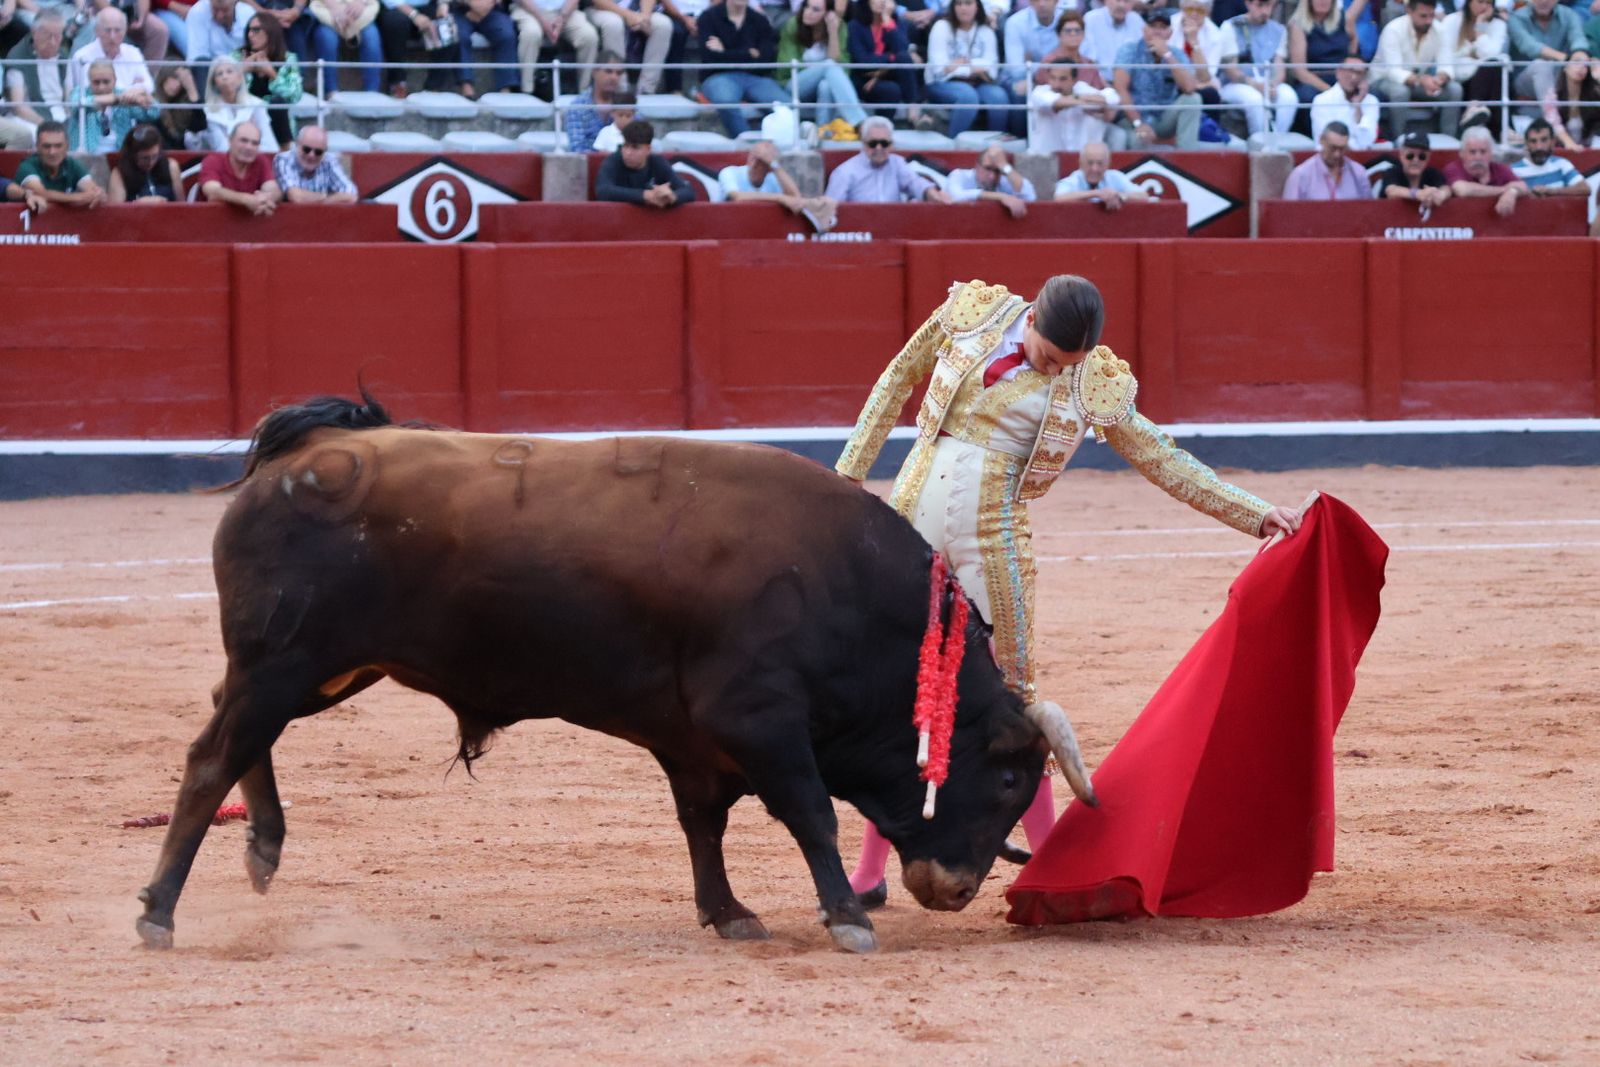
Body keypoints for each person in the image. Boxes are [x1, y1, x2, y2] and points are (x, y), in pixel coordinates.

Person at [835, 274, 1303, 907]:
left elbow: (1161, 458)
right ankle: (867, 873)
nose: (1055, 370)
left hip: (992, 548)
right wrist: (846, 479)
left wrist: (1252, 512)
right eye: (1049, 356)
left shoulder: (1090, 384)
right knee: (903, 692)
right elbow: (895, 380)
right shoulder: (971, 314)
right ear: (1030, 320)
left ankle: (1053, 861)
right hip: (909, 526)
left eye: (1067, 364)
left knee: (1016, 706)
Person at [1113, 7, 1203, 149]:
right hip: (1133, 119)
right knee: (1139, 140)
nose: (1157, 31)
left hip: (1164, 119)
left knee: (1193, 99)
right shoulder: (1129, 50)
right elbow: (1120, 89)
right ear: (1144, 29)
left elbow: (1190, 87)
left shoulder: (1176, 54)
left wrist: (1167, 55)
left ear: (1170, 33)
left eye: (1162, 27)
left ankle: (1187, 158)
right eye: (1153, 26)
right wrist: (1138, 123)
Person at [1373, 0, 1461, 139]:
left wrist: (1439, 80)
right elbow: (1393, 72)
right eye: (1423, 16)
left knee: (1454, 90)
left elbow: (1447, 66)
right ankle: (1399, 140)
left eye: (1431, 15)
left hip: (1418, 82)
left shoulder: (1439, 29)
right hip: (1382, 80)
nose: (1428, 21)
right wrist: (1422, 81)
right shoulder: (1393, 29)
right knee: (1400, 91)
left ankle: (1449, 140)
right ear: (1409, 11)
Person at [777, 0, 868, 136]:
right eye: (806, 7)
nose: (808, 12)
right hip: (793, 84)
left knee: (825, 85)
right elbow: (787, 66)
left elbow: (840, 63)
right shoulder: (793, 25)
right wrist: (817, 72)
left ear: (827, 14)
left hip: (822, 84)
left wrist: (832, 32)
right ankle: (860, 122)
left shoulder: (839, 26)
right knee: (829, 66)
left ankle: (823, 132)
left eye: (815, 9)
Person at [696, 0, 785, 138]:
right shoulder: (708, 17)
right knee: (727, 103)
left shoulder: (760, 20)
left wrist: (724, 52)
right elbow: (710, 57)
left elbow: (767, 58)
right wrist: (749, 53)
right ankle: (748, 145)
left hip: (755, 77)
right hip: (718, 76)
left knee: (786, 106)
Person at [923, 0, 1010, 138]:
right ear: (953, 7)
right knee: (968, 96)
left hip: (978, 82)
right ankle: (955, 143)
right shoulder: (941, 27)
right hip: (941, 83)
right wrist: (973, 68)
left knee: (999, 96)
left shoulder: (986, 31)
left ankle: (995, 143)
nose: (963, 8)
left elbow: (992, 69)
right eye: (959, 4)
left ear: (977, 7)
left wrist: (959, 64)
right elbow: (939, 69)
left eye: (968, 3)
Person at [823, 115, 952, 202]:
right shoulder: (845, 172)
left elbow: (915, 183)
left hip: (893, 228)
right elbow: (830, 209)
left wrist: (931, 193)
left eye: (884, 144)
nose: (879, 148)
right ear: (863, 143)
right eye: (873, 144)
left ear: (891, 145)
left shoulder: (897, 163)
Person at [718, 137, 838, 228]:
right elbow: (737, 197)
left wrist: (775, 166)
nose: (754, 164)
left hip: (764, 228)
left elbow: (795, 198)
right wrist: (779, 198)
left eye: (761, 161)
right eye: (752, 158)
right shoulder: (729, 172)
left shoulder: (772, 176)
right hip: (731, 226)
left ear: (769, 167)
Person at [1218, 0, 1296, 136]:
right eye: (1261, 5)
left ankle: (1278, 140)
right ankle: (1259, 143)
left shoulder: (1279, 30)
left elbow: (1279, 65)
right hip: (1234, 85)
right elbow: (1229, 69)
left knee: (1289, 96)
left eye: (1270, 6)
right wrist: (1255, 84)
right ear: (1248, 4)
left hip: (1267, 82)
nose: (1266, 11)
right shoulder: (1230, 26)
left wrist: (1272, 84)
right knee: (1254, 99)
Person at [1437, 0, 1506, 135]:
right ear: (1469, 3)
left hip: (1485, 78)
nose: (1485, 7)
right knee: (1492, 67)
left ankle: (1474, 108)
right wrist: (1470, 54)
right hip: (1458, 78)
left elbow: (1491, 55)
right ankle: (1503, 129)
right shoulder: (1451, 21)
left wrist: (1479, 27)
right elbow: (1446, 56)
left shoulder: (1498, 24)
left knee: (1495, 65)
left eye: (1489, 3)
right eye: (1480, 2)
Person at [3, 9, 72, 144]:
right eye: (48, 36)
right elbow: (19, 107)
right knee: (36, 136)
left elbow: (69, 98)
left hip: (60, 114)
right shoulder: (18, 57)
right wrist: (46, 125)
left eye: (57, 36)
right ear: (34, 33)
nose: (53, 42)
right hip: (30, 117)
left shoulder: (64, 57)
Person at [846, 0, 919, 124]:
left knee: (903, 58)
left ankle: (912, 108)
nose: (881, 2)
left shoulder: (896, 23)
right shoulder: (855, 25)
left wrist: (887, 21)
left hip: (888, 75)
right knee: (892, 90)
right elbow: (863, 61)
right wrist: (890, 58)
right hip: (864, 79)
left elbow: (902, 50)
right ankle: (882, 129)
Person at [233, 12, 300, 146]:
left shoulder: (288, 59)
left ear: (270, 32)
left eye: (256, 30)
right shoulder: (236, 57)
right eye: (249, 30)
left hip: (276, 125)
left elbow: (295, 96)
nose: (250, 35)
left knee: (277, 102)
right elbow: (222, 90)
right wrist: (243, 69)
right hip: (245, 119)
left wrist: (271, 74)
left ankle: (284, 153)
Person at [595, 118, 695, 207]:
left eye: (635, 148)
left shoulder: (657, 162)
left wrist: (671, 196)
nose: (628, 153)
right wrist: (645, 195)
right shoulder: (613, 161)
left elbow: (688, 191)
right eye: (625, 146)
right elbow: (603, 191)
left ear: (648, 149)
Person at [1029, 55, 1119, 154]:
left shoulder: (1081, 88)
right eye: (1052, 78)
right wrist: (1083, 100)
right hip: (1046, 159)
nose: (1056, 84)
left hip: (1080, 160)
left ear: (1074, 80)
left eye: (1063, 79)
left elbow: (1113, 98)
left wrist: (1092, 103)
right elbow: (1057, 102)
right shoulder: (1039, 92)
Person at [66, 57, 157, 151]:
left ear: (114, 80)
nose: (101, 87)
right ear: (89, 81)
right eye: (96, 82)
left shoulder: (124, 95)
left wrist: (143, 92)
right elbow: (75, 106)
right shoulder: (79, 93)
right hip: (88, 157)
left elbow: (154, 113)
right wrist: (115, 99)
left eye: (106, 82)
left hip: (120, 155)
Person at [1509, 0, 1585, 112]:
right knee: (1542, 65)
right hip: (1525, 82)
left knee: (1584, 64)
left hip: (1561, 78)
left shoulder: (1569, 15)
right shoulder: (1516, 18)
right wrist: (1566, 59)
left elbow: (1578, 39)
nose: (1543, 1)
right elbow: (1529, 46)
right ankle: (1555, 124)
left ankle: (1576, 119)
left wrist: (1579, 57)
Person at [510, 0, 599, 95]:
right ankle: (526, 91)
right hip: (527, 10)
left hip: (566, 11)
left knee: (589, 37)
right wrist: (542, 21)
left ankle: (584, 93)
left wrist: (562, 19)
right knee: (531, 33)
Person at [15, 119, 106, 208]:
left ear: (67, 146)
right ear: (37, 146)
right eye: (46, 146)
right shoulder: (27, 166)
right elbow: (40, 193)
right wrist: (78, 197)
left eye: (58, 146)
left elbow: (93, 190)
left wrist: (97, 194)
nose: (52, 152)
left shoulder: (71, 164)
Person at [1288, 0, 1355, 120]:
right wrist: (1330, 91)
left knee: (1372, 93)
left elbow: (1353, 41)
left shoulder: (1344, 19)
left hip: (1342, 78)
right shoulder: (1297, 25)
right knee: (1308, 96)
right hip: (1313, 80)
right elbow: (1299, 71)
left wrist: (1350, 75)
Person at [588, 0, 673, 94]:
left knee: (663, 24)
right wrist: (628, 15)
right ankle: (620, 89)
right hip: (602, 9)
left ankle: (646, 89)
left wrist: (645, 18)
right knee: (613, 24)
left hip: (638, 9)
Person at [198, 118, 280, 212]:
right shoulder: (214, 160)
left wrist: (266, 199)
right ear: (230, 141)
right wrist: (245, 199)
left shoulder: (261, 160)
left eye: (255, 143)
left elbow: (273, 188)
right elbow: (212, 191)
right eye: (243, 141)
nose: (249, 147)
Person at [69, 6, 156, 95]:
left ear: (125, 31)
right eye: (107, 30)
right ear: (97, 31)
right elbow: (89, 91)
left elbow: (149, 86)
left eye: (117, 30)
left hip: (130, 107)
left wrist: (134, 89)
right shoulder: (82, 56)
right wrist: (133, 89)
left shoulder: (133, 52)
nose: (112, 36)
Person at [1443, 124, 1527, 216]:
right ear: (1462, 154)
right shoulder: (1454, 168)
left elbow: (1523, 186)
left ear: (1491, 153)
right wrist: (1505, 190)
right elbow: (1463, 190)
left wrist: (1512, 192)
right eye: (1472, 152)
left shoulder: (1499, 168)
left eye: (1483, 152)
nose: (1478, 157)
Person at [1282, 120, 1371, 199]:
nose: (1337, 154)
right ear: (1321, 140)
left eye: (1342, 149)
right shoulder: (1301, 175)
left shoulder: (1358, 172)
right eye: (1333, 148)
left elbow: (1368, 210)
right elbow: (1290, 213)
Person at [203, 54, 275, 150]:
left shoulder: (256, 105)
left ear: (240, 78)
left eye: (229, 71)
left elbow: (270, 146)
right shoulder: (208, 111)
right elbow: (221, 148)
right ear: (214, 83)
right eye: (219, 74)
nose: (225, 77)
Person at [946, 142, 1034, 218]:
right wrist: (1001, 196)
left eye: (997, 170)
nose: (992, 176)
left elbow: (1030, 196)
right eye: (988, 169)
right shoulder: (960, 175)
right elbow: (955, 196)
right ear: (977, 166)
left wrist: (1004, 166)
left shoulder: (1003, 181)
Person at [1054, 140, 1150, 209]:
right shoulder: (1073, 180)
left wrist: (1119, 196)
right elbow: (1058, 199)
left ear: (1108, 164)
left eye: (1100, 163)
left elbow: (1144, 196)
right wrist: (1096, 194)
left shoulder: (1115, 176)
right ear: (1080, 163)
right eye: (1090, 163)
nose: (1094, 169)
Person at [273, 122, 357, 201]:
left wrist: (319, 200)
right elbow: (295, 196)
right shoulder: (284, 159)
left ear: (325, 151)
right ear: (297, 145)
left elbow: (351, 195)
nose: (311, 155)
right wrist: (327, 196)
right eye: (306, 149)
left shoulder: (329, 160)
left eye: (318, 152)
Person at [1509, 117, 1588, 197]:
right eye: (1533, 141)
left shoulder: (1561, 164)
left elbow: (1585, 189)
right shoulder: (1514, 170)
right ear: (1527, 144)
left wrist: (1552, 191)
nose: (1539, 147)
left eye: (1544, 140)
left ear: (1553, 142)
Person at [1369, 128, 1450, 205]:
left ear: (1428, 157)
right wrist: (1418, 194)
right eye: (1410, 155)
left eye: (1422, 156)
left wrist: (1440, 195)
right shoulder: (1392, 172)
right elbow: (1392, 191)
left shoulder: (1432, 173)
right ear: (1401, 155)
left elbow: (1446, 188)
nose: (1415, 160)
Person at [1311, 56, 1378, 148]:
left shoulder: (1371, 101)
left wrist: (1357, 106)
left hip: (1361, 158)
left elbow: (1367, 141)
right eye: (1350, 71)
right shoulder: (1322, 100)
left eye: (1359, 73)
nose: (1354, 77)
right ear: (1338, 72)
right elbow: (1324, 141)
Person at [564, 50, 624, 151]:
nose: (614, 77)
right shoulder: (578, 107)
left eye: (618, 73)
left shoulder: (627, 104)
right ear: (594, 72)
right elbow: (577, 149)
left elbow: (640, 137)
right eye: (608, 71)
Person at [108, 121, 182, 201]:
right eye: (145, 158)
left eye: (155, 156)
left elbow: (182, 206)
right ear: (132, 155)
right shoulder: (119, 174)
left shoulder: (171, 166)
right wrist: (137, 205)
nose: (151, 162)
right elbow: (116, 211)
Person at [1083, 0, 1145, 82]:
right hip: (1098, 82)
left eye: (1127, 1)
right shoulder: (1091, 19)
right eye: (1118, 0)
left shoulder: (1136, 20)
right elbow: (1088, 59)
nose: (1121, 5)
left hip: (1130, 85)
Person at [151, 61, 206, 147]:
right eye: (174, 77)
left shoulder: (182, 104)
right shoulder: (152, 102)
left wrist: (192, 91)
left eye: (182, 80)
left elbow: (200, 126)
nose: (177, 84)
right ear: (164, 76)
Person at [185, 0, 252, 68]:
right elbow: (197, 58)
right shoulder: (197, 13)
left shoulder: (249, 14)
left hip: (242, 69)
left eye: (225, 10)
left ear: (235, 4)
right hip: (211, 71)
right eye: (215, 9)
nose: (220, 15)